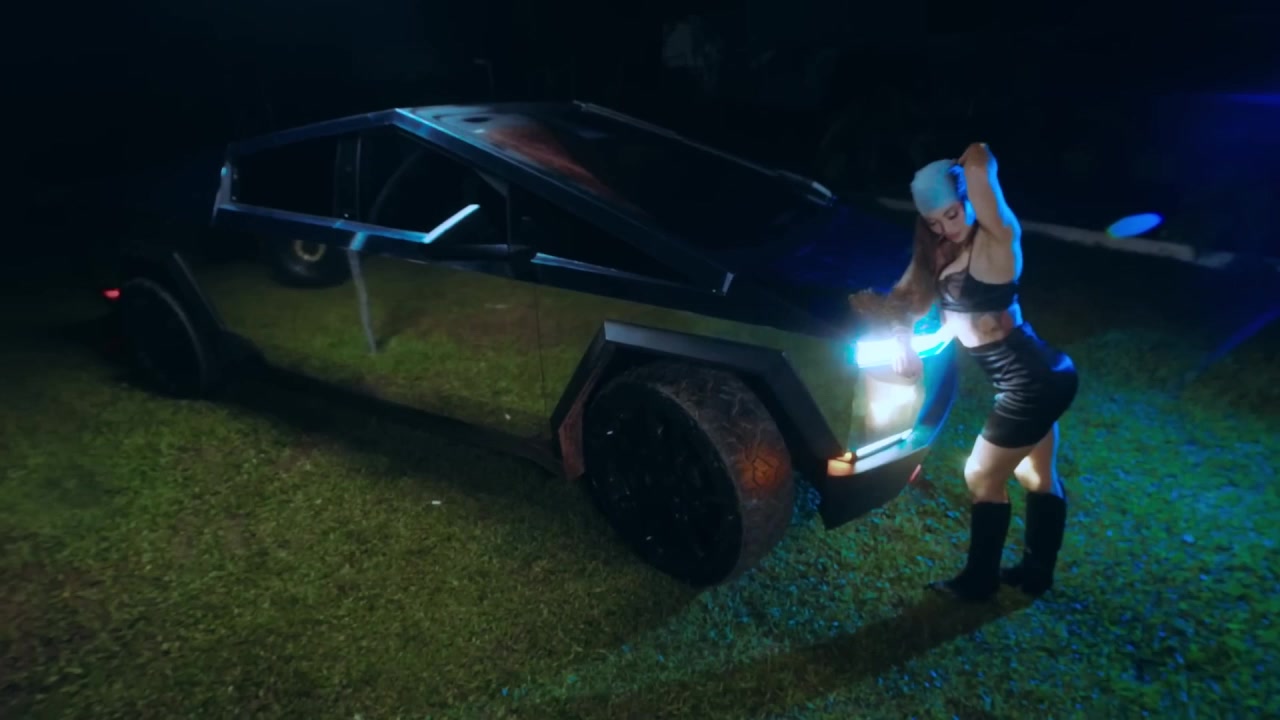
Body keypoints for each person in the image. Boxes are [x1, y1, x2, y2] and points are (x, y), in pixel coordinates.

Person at [857, 143, 1079, 602]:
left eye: (952, 214)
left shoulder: (998, 237)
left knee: (981, 476)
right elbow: (903, 301)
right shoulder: (939, 250)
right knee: (1035, 475)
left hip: (1031, 381)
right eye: (935, 222)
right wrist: (901, 341)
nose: (946, 227)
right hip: (1036, 377)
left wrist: (964, 162)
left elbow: (980, 160)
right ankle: (1036, 574)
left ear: (968, 199)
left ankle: (979, 582)